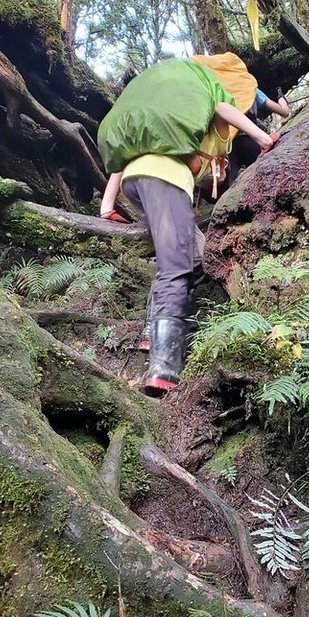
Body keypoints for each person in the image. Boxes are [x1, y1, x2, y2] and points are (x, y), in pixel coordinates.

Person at [96, 57, 277, 394]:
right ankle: (164, 367)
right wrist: (263, 138)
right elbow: (226, 109)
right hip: (164, 179)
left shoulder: (159, 125)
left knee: (193, 256)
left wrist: (107, 205)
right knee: (176, 267)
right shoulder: (211, 89)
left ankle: (154, 334)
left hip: (138, 181)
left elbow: (122, 161)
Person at [227, 86, 289, 184]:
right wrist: (281, 97)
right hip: (251, 138)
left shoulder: (214, 87)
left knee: (232, 183)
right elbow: (284, 112)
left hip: (227, 147)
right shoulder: (248, 85)